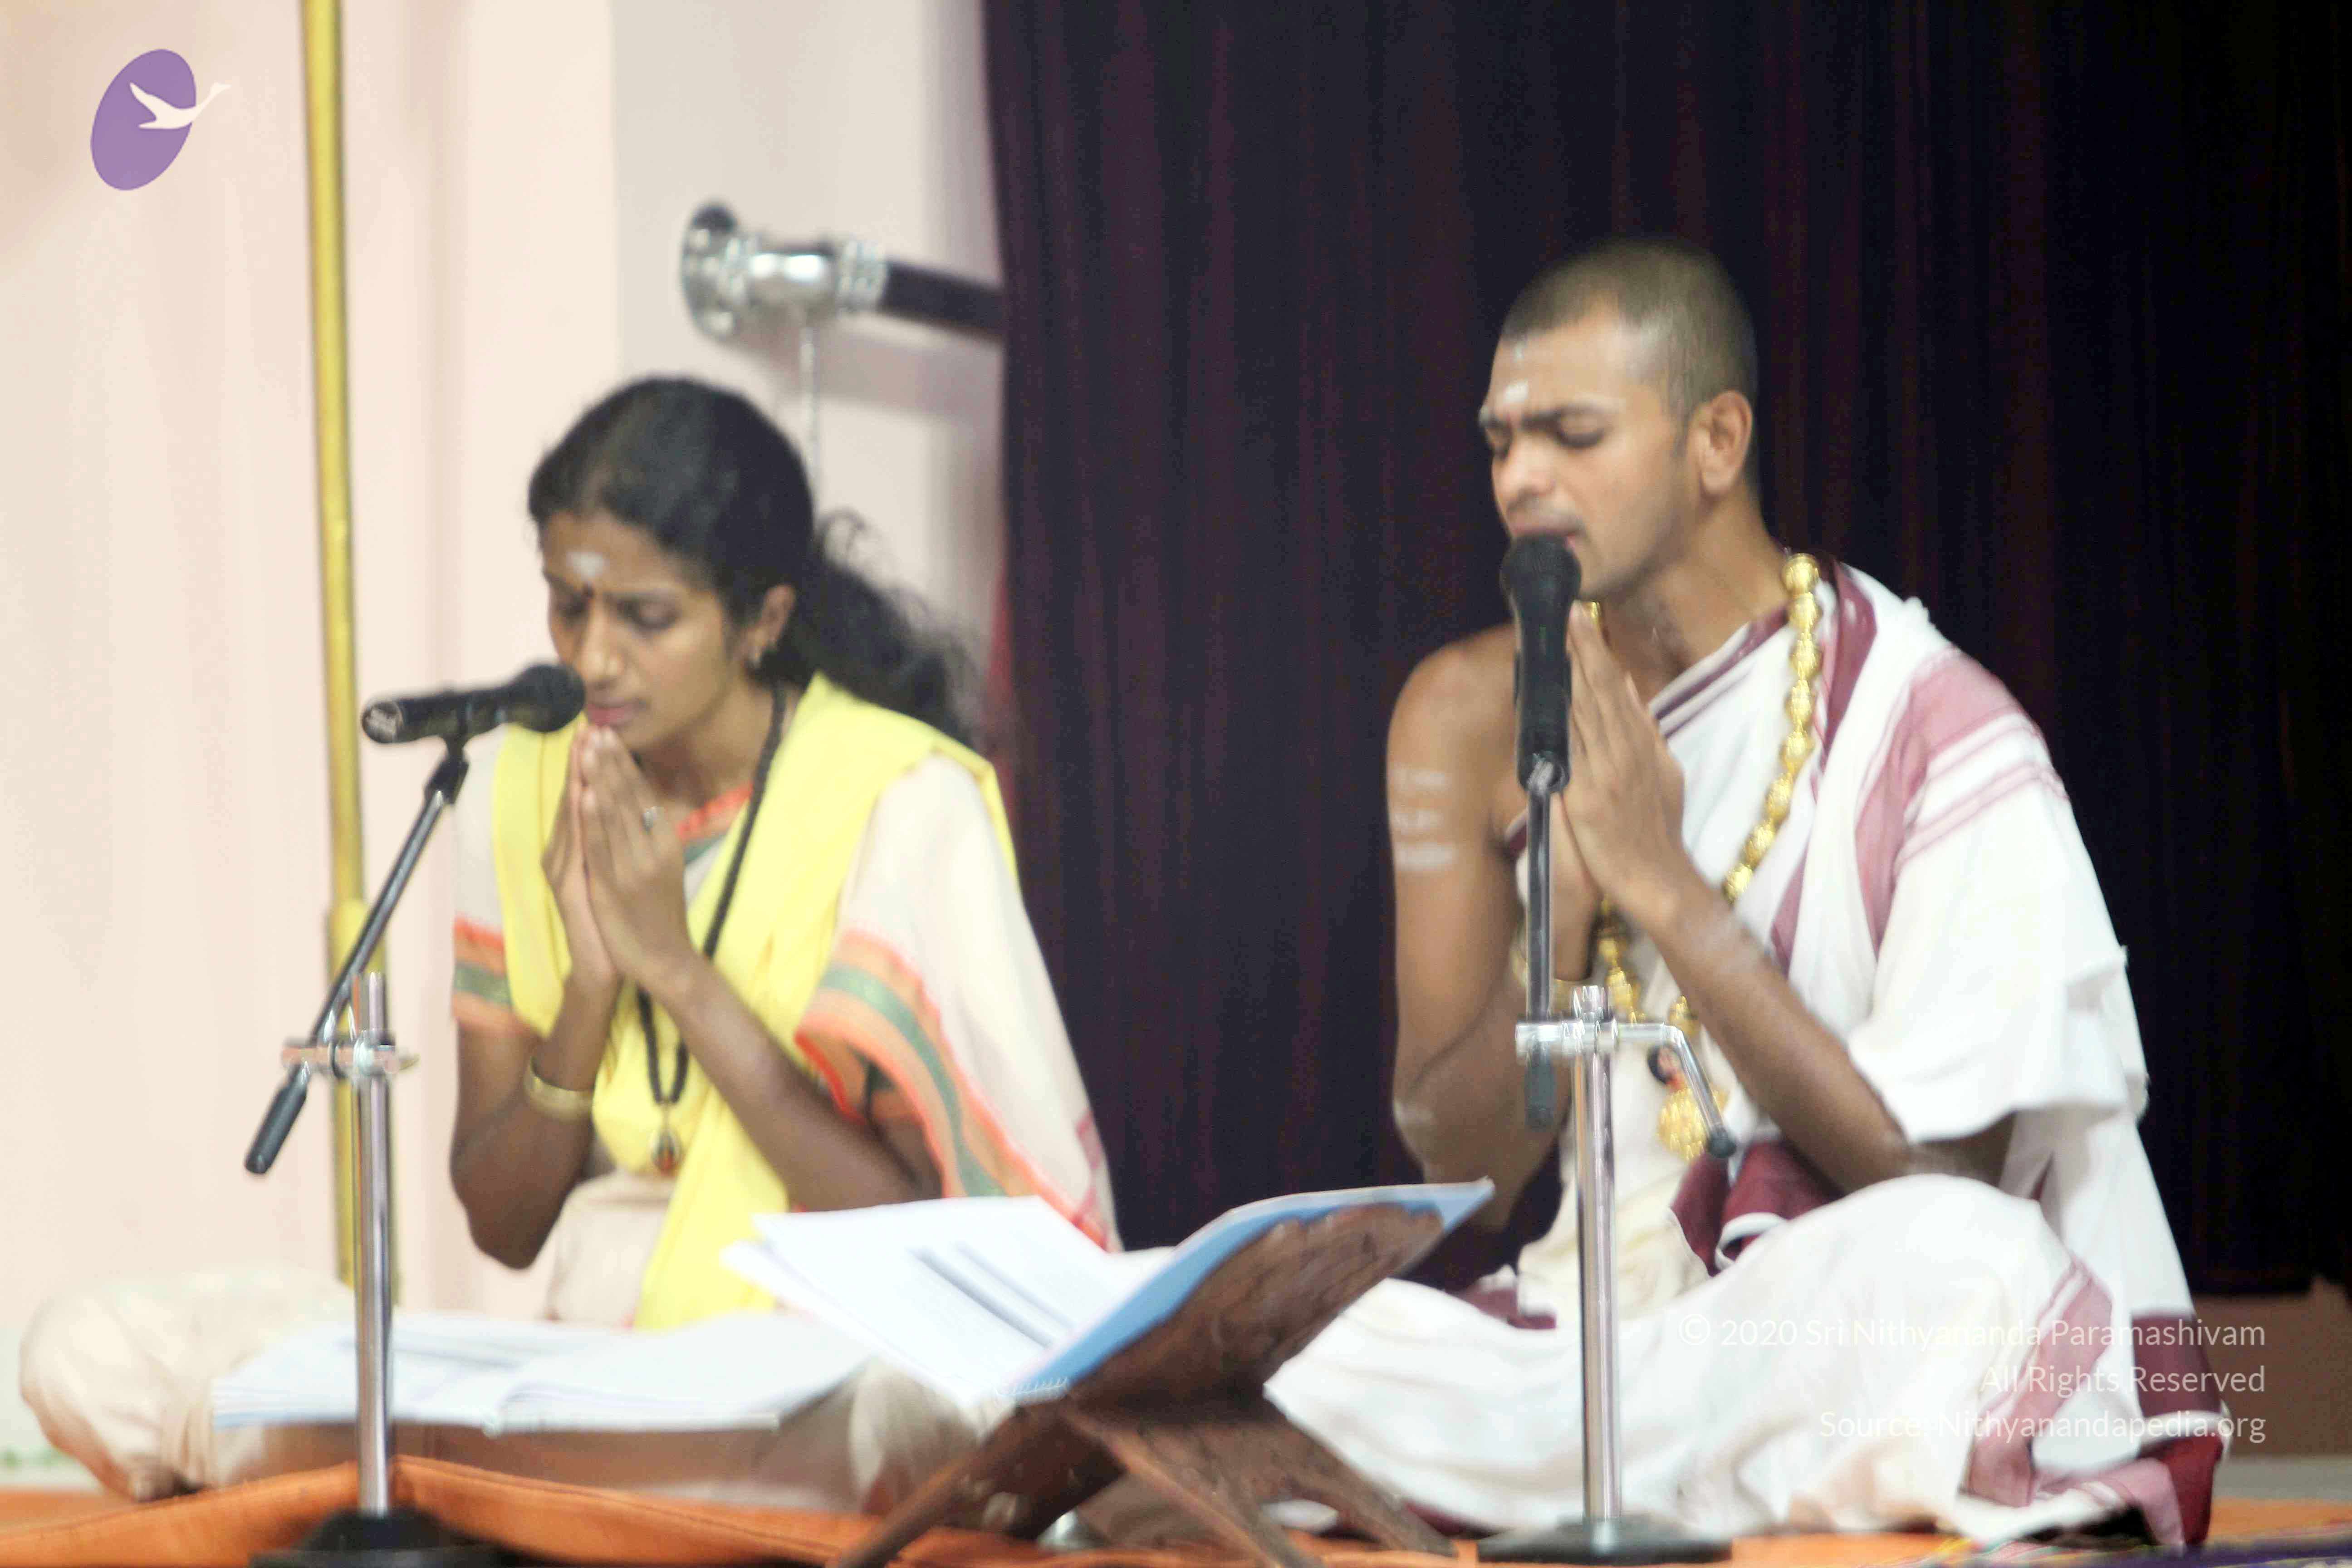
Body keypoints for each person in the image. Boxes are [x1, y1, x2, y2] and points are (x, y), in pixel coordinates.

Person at [1264, 238, 2229, 1547]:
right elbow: (1460, 1162)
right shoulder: (1470, 715)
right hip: (1582, 1343)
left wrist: (1667, 888)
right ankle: (1601, 1463)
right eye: (1500, 442)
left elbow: (1937, 1174)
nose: (1520, 477)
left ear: (1716, 442)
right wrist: (1559, 919)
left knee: (1966, 1273)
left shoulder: (1929, 724)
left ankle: (1545, 1469)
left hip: (1806, 1331)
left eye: (1572, 434)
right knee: (1255, 1337)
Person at [22, 377, 1115, 1504]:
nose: (593, 659)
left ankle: (457, 1479)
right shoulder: (520, 787)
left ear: (762, 621)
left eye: (646, 618)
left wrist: (676, 972)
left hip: (812, 1363)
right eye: (567, 606)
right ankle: (508, 1471)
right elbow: (505, 1226)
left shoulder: (900, 805)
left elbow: (937, 1249)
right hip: (581, 1370)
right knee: (84, 1350)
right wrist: (590, 990)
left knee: (936, 1411)